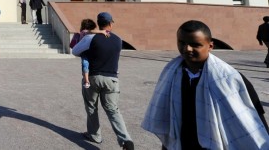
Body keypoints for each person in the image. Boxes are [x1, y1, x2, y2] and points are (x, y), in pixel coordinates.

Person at [142, 20, 269, 149]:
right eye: (182, 43)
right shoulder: (172, 73)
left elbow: (254, 120)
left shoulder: (230, 78)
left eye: (195, 44)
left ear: (210, 46)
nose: (187, 49)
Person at [72, 12, 134, 150]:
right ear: (111, 23)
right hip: (112, 79)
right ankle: (125, 139)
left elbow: (75, 51)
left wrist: (91, 34)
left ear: (98, 23)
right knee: (113, 110)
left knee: (91, 107)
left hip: (93, 77)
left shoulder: (90, 38)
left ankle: (95, 135)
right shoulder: (118, 39)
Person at [69, 19, 107, 89]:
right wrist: (101, 31)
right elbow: (91, 31)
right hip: (85, 51)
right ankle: (86, 81)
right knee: (85, 63)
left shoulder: (86, 32)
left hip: (86, 51)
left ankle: (85, 78)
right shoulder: (84, 32)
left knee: (85, 63)